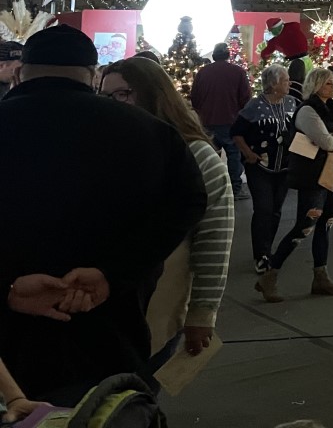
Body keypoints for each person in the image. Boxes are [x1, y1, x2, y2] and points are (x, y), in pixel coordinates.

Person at [0, 25, 206, 403]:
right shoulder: (152, 134)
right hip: (112, 330)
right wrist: (112, 274)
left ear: (21, 71)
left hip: (10, 348)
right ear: (92, 74)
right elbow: (189, 203)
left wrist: (9, 289)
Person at [98, 58, 233, 364]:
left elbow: (214, 238)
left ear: (152, 94)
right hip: (103, 303)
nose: (112, 104)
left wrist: (203, 312)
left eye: (122, 94)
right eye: (105, 96)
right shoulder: (106, 146)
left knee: (138, 397)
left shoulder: (195, 154)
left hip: (160, 304)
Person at [257, 69, 333, 303]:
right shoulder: (308, 111)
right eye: (328, 83)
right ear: (317, 85)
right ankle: (270, 273)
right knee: (305, 225)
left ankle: (320, 275)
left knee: (326, 223)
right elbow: (328, 141)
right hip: (313, 175)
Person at [231, 65, 298, 274]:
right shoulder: (254, 106)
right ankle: (260, 254)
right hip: (260, 166)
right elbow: (236, 132)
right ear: (274, 84)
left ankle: (268, 249)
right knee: (263, 208)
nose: (290, 83)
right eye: (286, 80)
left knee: (276, 209)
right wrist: (247, 153)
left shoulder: (292, 103)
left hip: (285, 166)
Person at [190, 42, 252, 200]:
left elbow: (195, 98)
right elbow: (245, 98)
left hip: (207, 121)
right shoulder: (238, 72)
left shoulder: (203, 72)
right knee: (233, 154)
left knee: (211, 155)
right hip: (231, 120)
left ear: (214, 55)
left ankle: (212, 187)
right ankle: (235, 189)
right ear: (228, 55)